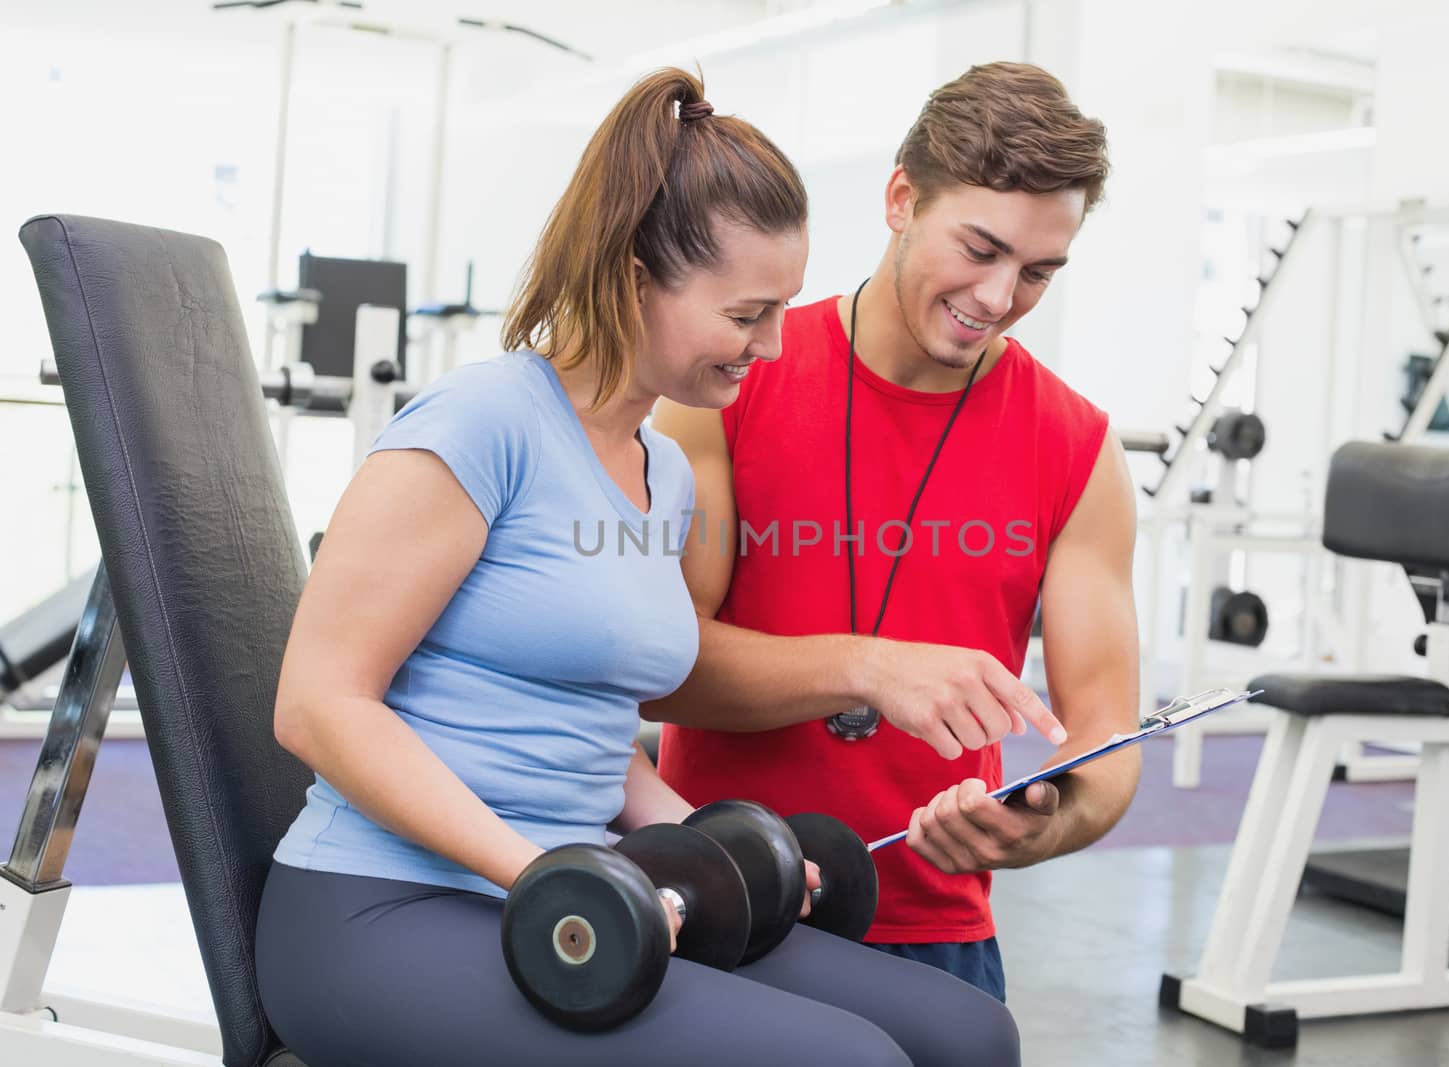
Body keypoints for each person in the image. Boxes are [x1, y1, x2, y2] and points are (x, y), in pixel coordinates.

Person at [254, 67, 1020, 1067]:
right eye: (747, 314)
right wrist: (546, 872)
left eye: (782, 309)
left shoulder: (660, 470)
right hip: (381, 908)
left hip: (568, 889)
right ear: (631, 278)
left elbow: (589, 726)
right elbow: (315, 705)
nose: (774, 345)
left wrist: (720, 849)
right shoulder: (479, 426)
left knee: (964, 1030)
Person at [647, 61, 1140, 1004]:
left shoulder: (1079, 450)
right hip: (724, 897)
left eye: (1038, 271)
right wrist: (869, 666)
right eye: (981, 248)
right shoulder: (733, 382)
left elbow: (1108, 739)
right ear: (901, 198)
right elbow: (664, 667)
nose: (999, 298)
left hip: (936, 929)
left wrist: (1046, 826)